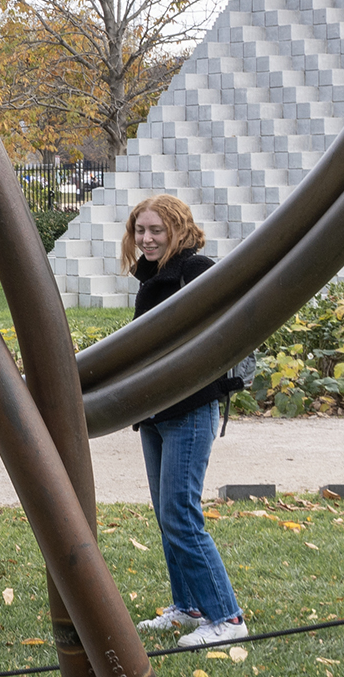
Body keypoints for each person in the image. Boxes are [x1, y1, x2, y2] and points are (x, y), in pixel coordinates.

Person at [122, 194, 249, 647]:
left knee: (180, 513)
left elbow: (228, 328)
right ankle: (188, 607)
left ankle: (227, 618)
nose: (147, 238)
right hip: (154, 411)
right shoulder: (151, 276)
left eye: (156, 230)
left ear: (177, 229)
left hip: (189, 408)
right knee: (166, 515)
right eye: (140, 230)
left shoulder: (197, 271)